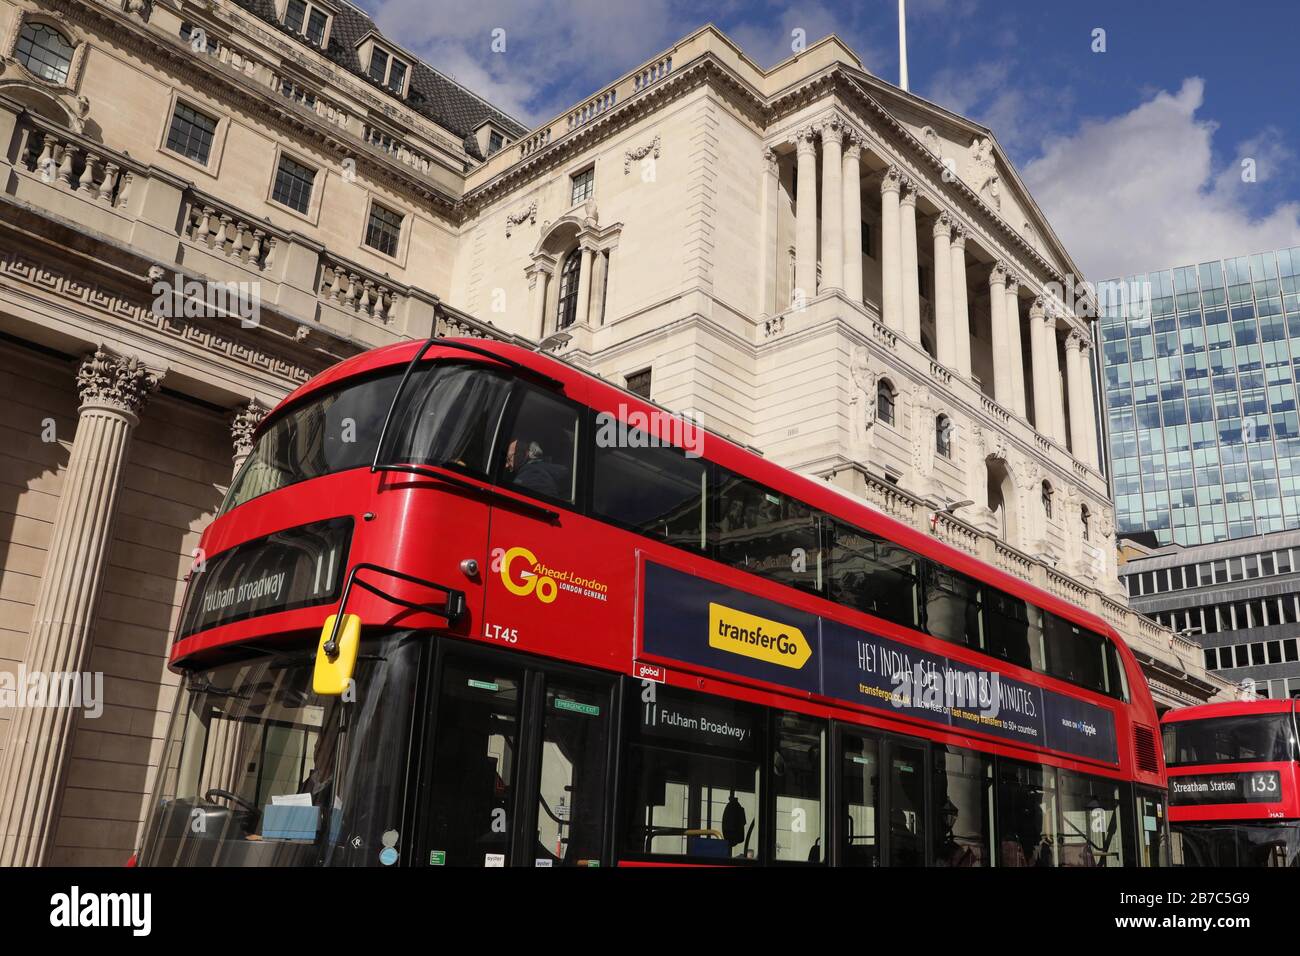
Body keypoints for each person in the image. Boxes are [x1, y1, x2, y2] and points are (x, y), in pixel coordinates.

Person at [504, 437, 569, 498]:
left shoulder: (530, 475)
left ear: (525, 453)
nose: (506, 465)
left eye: (509, 458)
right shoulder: (545, 469)